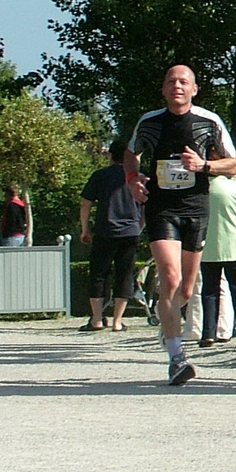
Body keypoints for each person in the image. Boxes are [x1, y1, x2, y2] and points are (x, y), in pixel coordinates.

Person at [127, 64, 236, 387]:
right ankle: (177, 358)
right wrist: (133, 179)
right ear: (163, 89)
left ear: (194, 89)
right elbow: (131, 154)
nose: (177, 86)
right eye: (171, 81)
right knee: (170, 277)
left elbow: (234, 162)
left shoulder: (209, 122)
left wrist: (203, 165)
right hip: (161, 208)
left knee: (186, 289)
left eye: (183, 81)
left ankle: (169, 321)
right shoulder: (150, 123)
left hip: (196, 207)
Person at [79, 139, 144, 332]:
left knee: (99, 274)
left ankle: (97, 319)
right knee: (125, 274)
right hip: (130, 231)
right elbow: (146, 206)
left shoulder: (100, 176)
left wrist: (85, 228)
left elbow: (85, 203)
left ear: (110, 155)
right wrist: (138, 227)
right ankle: (117, 321)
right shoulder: (138, 177)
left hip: (105, 229)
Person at [199, 151, 236, 348]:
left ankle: (207, 333)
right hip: (235, 244)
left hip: (209, 245)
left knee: (209, 291)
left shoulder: (203, 189)